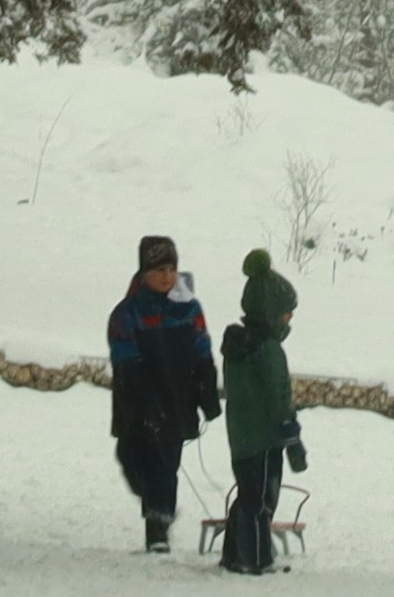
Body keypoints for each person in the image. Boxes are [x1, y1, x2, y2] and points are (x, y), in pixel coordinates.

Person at [105, 234, 216, 551]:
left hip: (177, 404)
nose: (167, 276)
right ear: (144, 273)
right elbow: (126, 365)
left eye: (171, 269)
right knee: (131, 457)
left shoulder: (188, 309)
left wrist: (206, 392)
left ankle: (158, 528)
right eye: (159, 269)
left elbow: (202, 351)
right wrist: (145, 406)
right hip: (137, 404)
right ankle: (153, 498)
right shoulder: (128, 314)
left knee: (165, 466)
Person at [215, 249, 310, 575]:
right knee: (261, 502)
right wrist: (292, 436)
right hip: (266, 439)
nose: (289, 319)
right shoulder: (268, 350)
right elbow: (278, 397)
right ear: (271, 312)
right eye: (286, 313)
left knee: (245, 496)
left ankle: (233, 554)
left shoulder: (238, 347)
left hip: (241, 437)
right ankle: (256, 558)